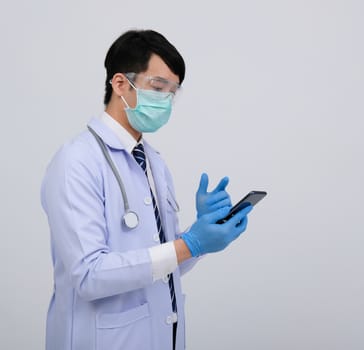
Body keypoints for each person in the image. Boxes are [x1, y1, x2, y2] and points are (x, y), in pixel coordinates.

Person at [40, 29, 252, 350]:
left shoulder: (153, 161)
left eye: (173, 91)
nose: (166, 100)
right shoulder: (77, 161)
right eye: (158, 87)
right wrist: (190, 244)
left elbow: (162, 262)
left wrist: (202, 236)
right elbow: (88, 275)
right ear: (120, 83)